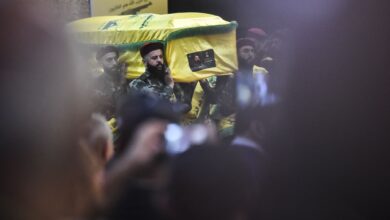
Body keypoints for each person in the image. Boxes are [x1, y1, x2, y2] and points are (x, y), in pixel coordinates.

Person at [94, 46, 128, 119]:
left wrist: (122, 81)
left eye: (116, 59)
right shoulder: (94, 84)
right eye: (109, 60)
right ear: (100, 63)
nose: (115, 63)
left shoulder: (126, 81)